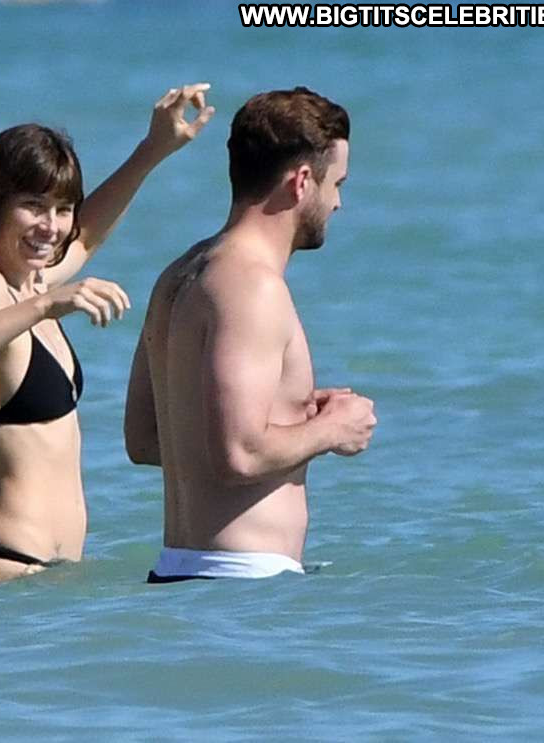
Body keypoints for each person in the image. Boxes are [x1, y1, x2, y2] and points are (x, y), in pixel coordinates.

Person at [0, 84, 214, 587]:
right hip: (4, 563)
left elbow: (86, 238)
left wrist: (153, 149)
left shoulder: (28, 282)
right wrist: (46, 306)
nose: (51, 227)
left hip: (41, 576)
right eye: (34, 206)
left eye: (63, 208)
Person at [124, 86, 377, 582]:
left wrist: (291, 416)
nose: (338, 203)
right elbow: (239, 455)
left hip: (183, 573)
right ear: (301, 182)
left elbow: (147, 439)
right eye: (336, 184)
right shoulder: (252, 288)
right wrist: (333, 429)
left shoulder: (179, 275)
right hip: (240, 583)